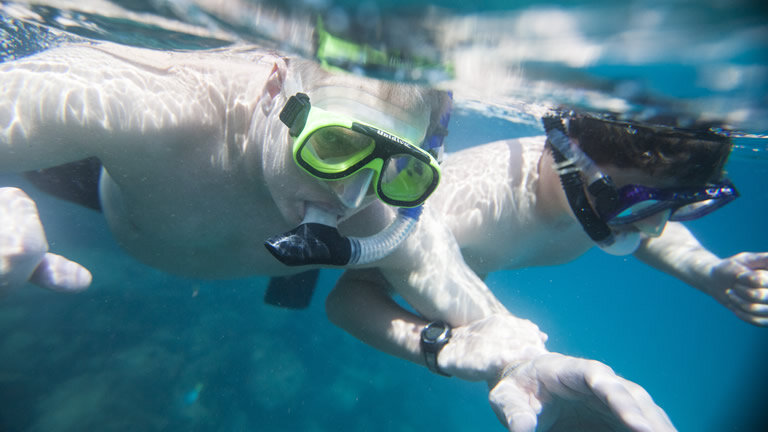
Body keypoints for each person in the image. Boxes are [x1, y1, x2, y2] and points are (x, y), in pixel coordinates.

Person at [0, 42, 677, 431]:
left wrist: (525, 363)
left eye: (397, 169)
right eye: (333, 145)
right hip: (107, 194)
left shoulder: (376, 215)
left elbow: (469, 306)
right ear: (275, 86)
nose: (352, 197)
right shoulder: (150, 104)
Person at [326, 113, 767, 431]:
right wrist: (442, 346)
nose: (655, 225)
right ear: (572, 157)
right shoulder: (459, 208)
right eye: (638, 204)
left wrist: (707, 270)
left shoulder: (606, 197)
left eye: (677, 206)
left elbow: (646, 229)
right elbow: (347, 298)